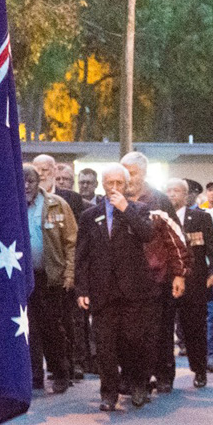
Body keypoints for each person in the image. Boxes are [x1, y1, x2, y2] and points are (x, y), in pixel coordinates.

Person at [75, 165, 156, 410]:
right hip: (102, 291)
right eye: (110, 183)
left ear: (127, 185)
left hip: (133, 291)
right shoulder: (90, 215)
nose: (114, 188)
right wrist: (82, 290)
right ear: (102, 184)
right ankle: (108, 393)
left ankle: (138, 384)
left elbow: (147, 234)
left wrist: (125, 208)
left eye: (119, 183)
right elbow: (82, 256)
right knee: (105, 345)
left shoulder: (140, 210)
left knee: (134, 340)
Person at [123, 151, 188, 395]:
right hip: (128, 277)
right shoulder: (116, 199)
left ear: (144, 172)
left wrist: (179, 274)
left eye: (133, 173)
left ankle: (164, 375)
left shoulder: (159, 200)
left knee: (161, 329)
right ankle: (135, 376)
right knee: (133, 331)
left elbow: (177, 239)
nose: (128, 179)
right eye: (125, 173)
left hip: (158, 275)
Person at [23, 165, 77, 393]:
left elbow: (71, 241)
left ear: (39, 182)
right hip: (23, 277)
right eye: (22, 181)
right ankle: (35, 375)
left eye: (31, 181)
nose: (26, 186)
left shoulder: (57, 204)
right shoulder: (11, 206)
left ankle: (60, 372)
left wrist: (70, 272)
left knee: (53, 328)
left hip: (51, 277)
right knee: (29, 328)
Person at [166, 178, 213, 387]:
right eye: (168, 191)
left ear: (186, 195)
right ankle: (165, 375)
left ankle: (199, 370)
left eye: (176, 191)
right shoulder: (160, 218)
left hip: (195, 283)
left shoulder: (200, 218)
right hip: (166, 282)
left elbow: (211, 248)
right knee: (163, 330)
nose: (171, 195)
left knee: (195, 329)